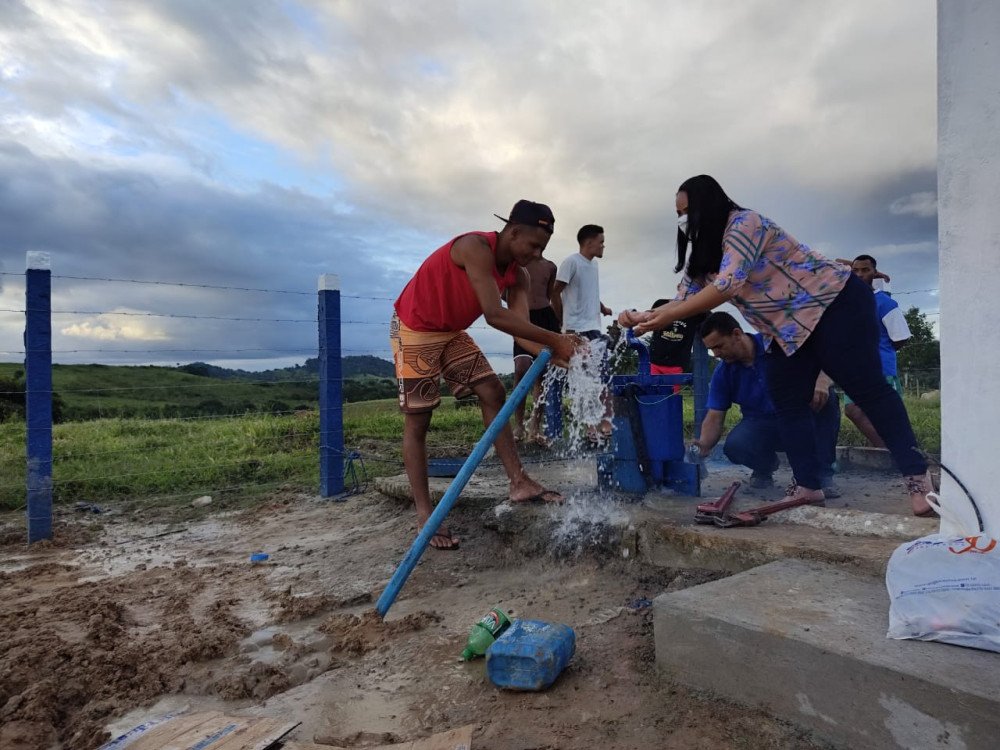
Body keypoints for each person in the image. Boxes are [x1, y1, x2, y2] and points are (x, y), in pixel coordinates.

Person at [619, 175, 934, 516]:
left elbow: (728, 284)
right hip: (785, 331)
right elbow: (683, 299)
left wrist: (666, 316)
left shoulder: (745, 224)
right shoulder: (705, 256)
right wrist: (644, 316)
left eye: (686, 212)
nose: (683, 222)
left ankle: (918, 478)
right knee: (787, 401)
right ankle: (808, 485)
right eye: (678, 215)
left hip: (833, 304)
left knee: (869, 390)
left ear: (706, 206)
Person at [392, 200, 581, 550]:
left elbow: (522, 331)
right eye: (533, 245)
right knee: (418, 421)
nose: (537, 254)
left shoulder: (519, 275)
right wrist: (555, 340)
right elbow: (494, 315)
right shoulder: (473, 247)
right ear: (513, 231)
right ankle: (425, 516)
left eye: (543, 248)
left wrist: (553, 351)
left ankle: (519, 482)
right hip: (414, 327)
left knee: (493, 391)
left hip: (449, 331)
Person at [693, 312, 841, 496]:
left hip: (800, 415)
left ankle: (822, 474)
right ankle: (764, 467)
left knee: (828, 400)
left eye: (719, 346)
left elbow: (825, 358)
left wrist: (822, 381)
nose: (716, 354)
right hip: (762, 423)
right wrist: (703, 445)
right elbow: (714, 416)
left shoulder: (779, 344)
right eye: (711, 349)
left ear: (737, 334)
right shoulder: (723, 373)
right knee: (736, 445)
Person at [839, 254, 912, 448]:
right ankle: (892, 453)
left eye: (866, 270)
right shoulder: (849, 302)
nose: (860, 274)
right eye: (856, 271)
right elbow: (835, 262)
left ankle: (899, 454)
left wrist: (881, 352)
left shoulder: (885, 303)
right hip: (856, 369)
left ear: (874, 273)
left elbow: (901, 337)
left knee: (885, 415)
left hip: (881, 368)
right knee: (852, 410)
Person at [552, 224, 614, 439]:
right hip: (577, 329)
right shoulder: (571, 262)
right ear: (589, 243)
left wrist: (601, 306)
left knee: (603, 376)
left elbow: (588, 291)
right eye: (601, 241)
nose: (603, 245)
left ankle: (606, 424)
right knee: (584, 380)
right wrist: (564, 323)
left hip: (594, 327)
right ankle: (589, 428)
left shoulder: (593, 265)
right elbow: (556, 291)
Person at [510, 257, 560, 443]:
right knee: (521, 368)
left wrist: (558, 322)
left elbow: (550, 295)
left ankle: (534, 428)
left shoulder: (550, 266)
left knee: (542, 374)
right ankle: (518, 426)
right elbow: (503, 292)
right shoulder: (515, 264)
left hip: (545, 317)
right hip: (523, 317)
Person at [647, 298, 705, 392]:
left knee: (671, 397)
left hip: (676, 365)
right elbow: (649, 319)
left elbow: (710, 319)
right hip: (654, 362)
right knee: (652, 395)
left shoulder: (697, 312)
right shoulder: (661, 304)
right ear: (678, 287)